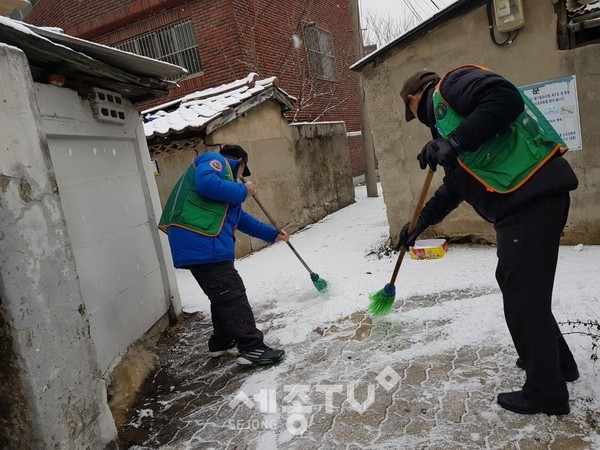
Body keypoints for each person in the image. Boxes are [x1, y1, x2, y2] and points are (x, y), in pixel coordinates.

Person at [398, 65, 579, 415]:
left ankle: (546, 393)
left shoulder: (452, 86)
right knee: (528, 293)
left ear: (413, 98)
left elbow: (505, 97)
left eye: (412, 113)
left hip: (531, 199)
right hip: (532, 201)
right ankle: (559, 366)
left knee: (523, 297)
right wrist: (419, 225)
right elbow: (455, 186)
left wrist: (453, 141)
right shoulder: (451, 123)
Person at [159, 144, 288, 366]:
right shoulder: (213, 160)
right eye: (242, 172)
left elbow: (243, 220)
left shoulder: (225, 197)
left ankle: (221, 342)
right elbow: (206, 183)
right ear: (240, 163)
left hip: (204, 246)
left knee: (223, 296)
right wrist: (243, 191)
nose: (240, 178)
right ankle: (252, 348)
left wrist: (273, 234)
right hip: (203, 245)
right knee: (233, 294)